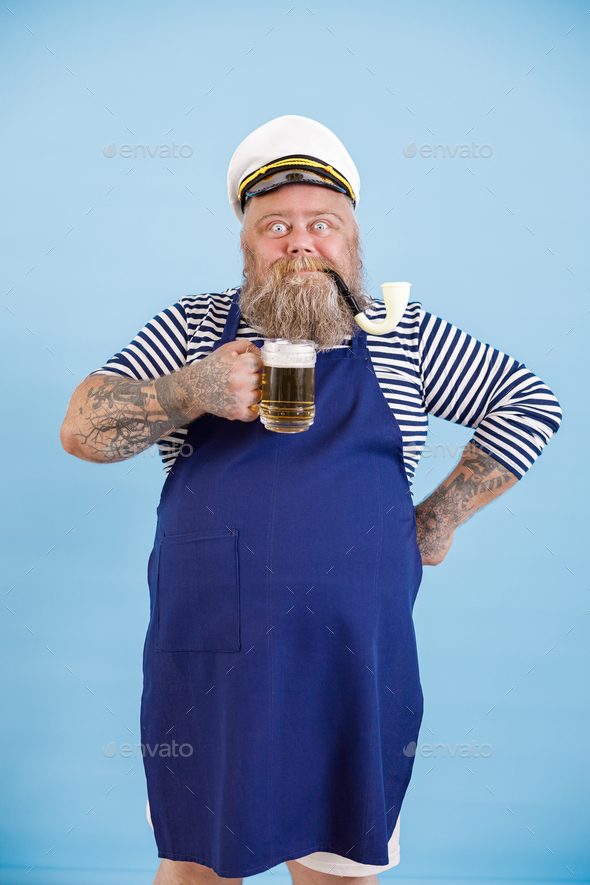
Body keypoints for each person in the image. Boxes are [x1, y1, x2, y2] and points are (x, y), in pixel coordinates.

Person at [60, 115, 562, 885]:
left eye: (321, 223)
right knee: (198, 866)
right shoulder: (194, 323)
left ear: (353, 239)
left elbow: (528, 402)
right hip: (214, 660)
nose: (300, 242)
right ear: (247, 244)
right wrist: (189, 388)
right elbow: (83, 427)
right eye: (275, 226)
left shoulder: (402, 334)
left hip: (355, 661)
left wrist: (439, 516)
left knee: (342, 867)